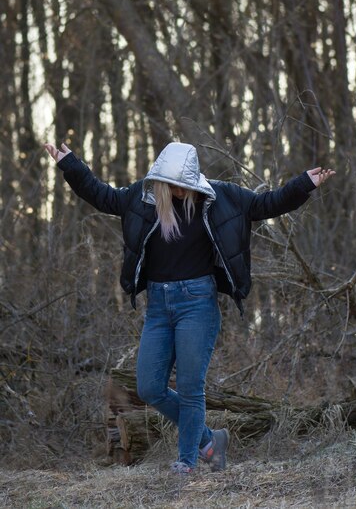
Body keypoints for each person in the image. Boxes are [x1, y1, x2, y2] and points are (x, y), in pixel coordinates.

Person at [44, 140, 335, 474]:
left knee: (190, 387)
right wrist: (70, 164)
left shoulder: (221, 196)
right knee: (149, 387)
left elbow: (265, 204)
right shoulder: (143, 197)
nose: (179, 192)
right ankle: (210, 441)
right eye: (173, 185)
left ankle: (188, 463)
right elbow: (101, 195)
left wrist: (303, 184)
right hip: (158, 306)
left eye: (184, 185)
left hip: (197, 303)